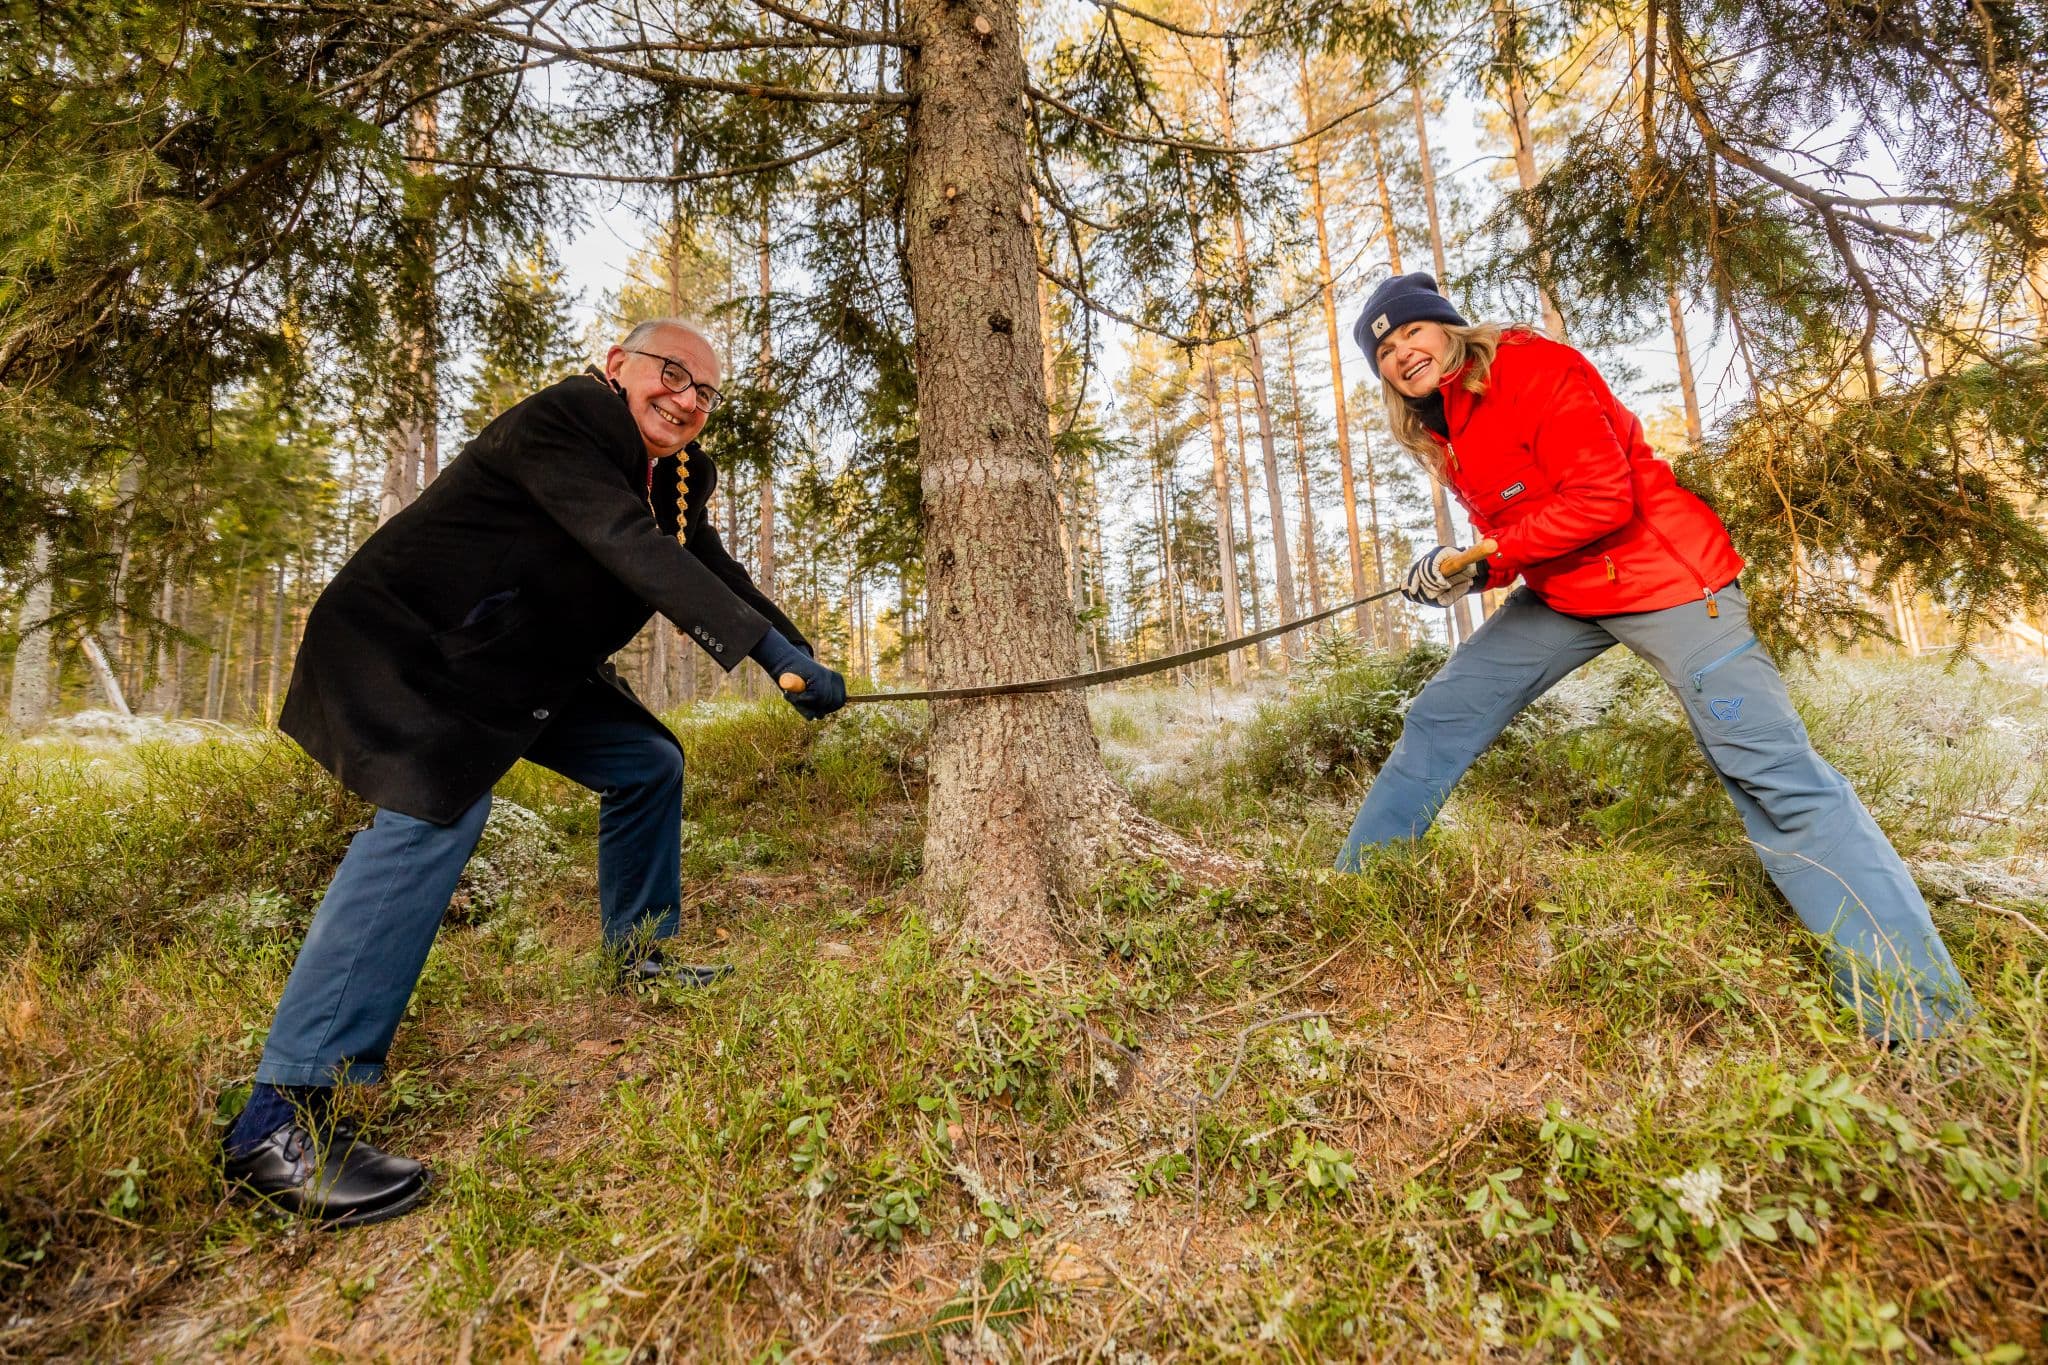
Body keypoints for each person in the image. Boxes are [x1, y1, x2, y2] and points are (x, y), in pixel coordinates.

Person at [221, 318, 847, 1226]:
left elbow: (702, 562)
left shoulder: (675, 477)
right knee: (435, 815)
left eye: (707, 392)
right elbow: (626, 544)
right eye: (671, 373)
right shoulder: (563, 422)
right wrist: (766, 650)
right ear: (616, 366)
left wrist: (792, 650)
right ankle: (276, 1122)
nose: (687, 399)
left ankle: (641, 954)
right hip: (409, 644)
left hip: (515, 665)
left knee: (646, 759)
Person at [1341, 272, 1972, 1045]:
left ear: (1447, 328)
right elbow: (1523, 522)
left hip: (1669, 579)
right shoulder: (1450, 427)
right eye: (1386, 352)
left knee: (1775, 781)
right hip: (1568, 592)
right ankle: (1351, 898)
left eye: (1412, 332)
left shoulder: (1533, 368)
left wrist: (1491, 551)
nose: (1403, 353)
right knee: (1441, 715)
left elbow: (1604, 498)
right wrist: (1468, 569)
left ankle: (1921, 1017)